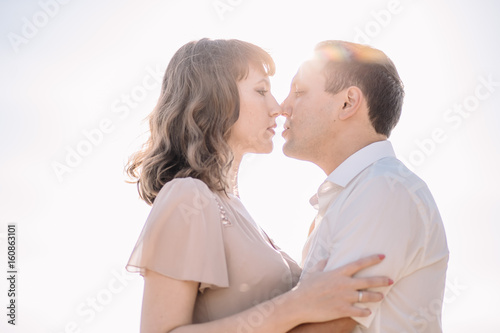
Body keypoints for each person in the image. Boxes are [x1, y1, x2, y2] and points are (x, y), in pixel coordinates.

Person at [125, 38, 392, 333]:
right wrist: (296, 305)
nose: (277, 107)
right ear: (217, 100)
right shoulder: (188, 196)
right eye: (261, 91)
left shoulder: (233, 207)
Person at [281, 40, 449, 333]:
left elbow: (327, 325)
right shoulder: (359, 192)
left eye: (299, 92)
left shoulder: (384, 191)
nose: (283, 107)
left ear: (348, 102)